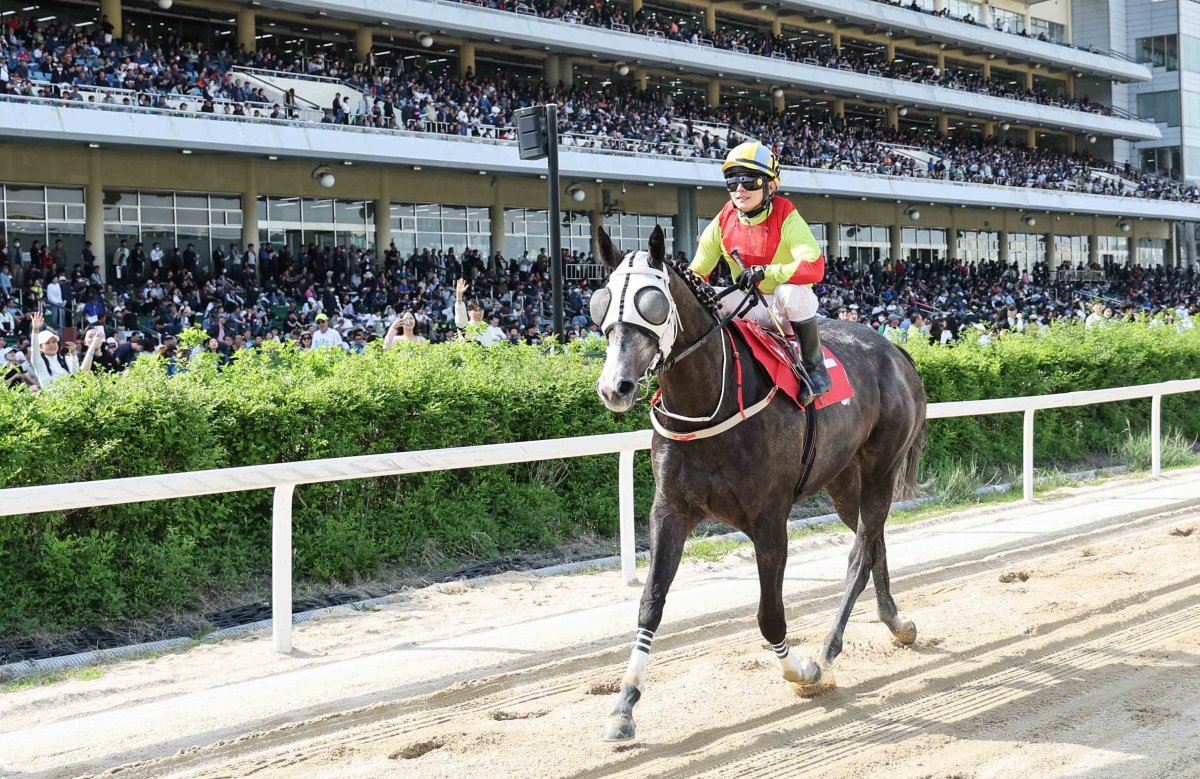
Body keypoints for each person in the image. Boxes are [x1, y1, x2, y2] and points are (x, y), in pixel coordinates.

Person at [690, 141, 831, 396]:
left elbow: (814, 266)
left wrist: (766, 272)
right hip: (750, 305)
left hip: (785, 310)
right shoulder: (723, 219)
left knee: (789, 292)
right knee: (706, 294)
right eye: (733, 181)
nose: (740, 189)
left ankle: (815, 368)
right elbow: (697, 272)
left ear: (771, 185)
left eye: (749, 181)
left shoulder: (786, 214)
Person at [28, 312, 100, 389]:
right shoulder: (39, 362)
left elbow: (77, 375)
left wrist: (73, 354)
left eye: (54, 342)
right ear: (40, 347)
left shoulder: (66, 359)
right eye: (47, 343)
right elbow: (34, 350)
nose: (52, 345)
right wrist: (35, 331)